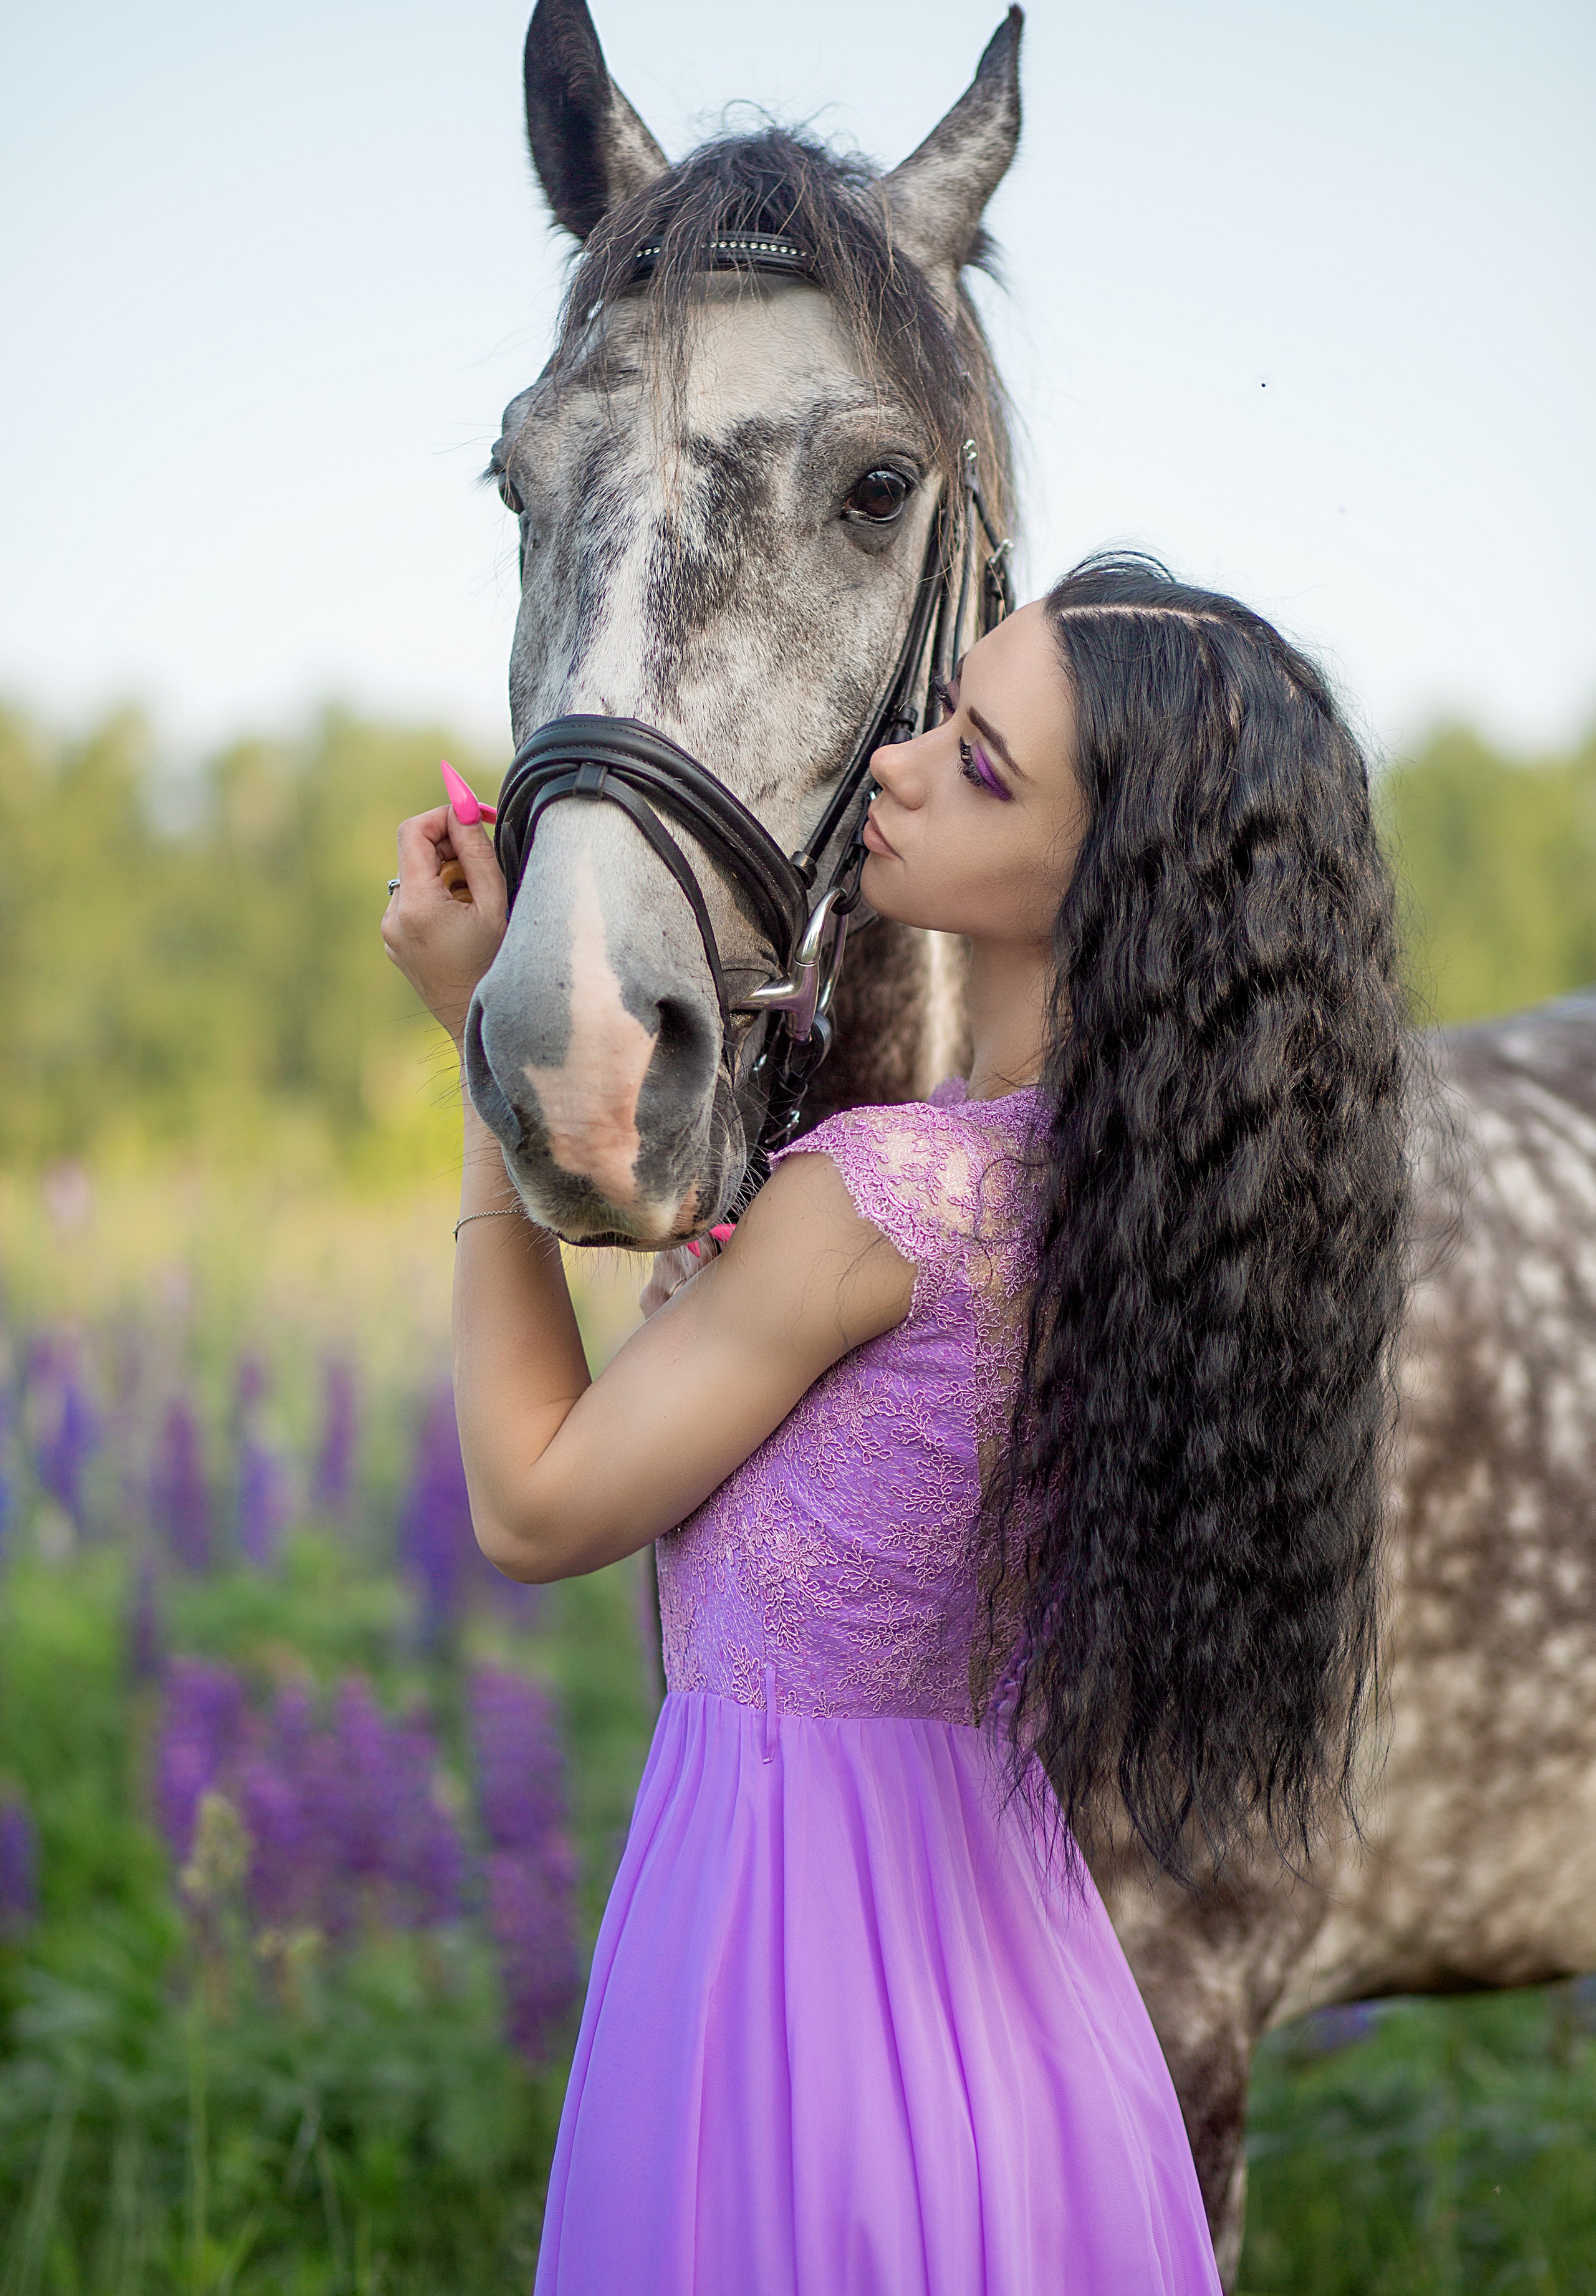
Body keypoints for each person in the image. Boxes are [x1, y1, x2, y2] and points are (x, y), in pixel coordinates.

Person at [382, 554, 1408, 2295]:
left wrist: (493, 1061)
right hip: (1025, 2029)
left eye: (984, 768)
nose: (905, 766)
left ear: (1120, 881)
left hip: (789, 2002)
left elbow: (536, 1503)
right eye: (943, 716)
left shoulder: (888, 1201)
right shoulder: (1157, 1220)